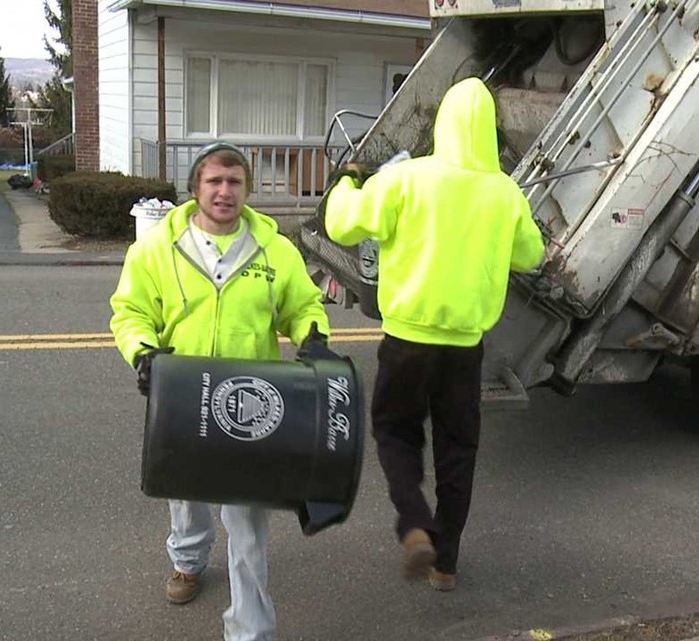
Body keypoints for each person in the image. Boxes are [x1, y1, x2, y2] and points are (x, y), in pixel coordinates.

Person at [323, 77, 545, 592]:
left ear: (442, 122)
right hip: (464, 348)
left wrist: (347, 182)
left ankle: (414, 524)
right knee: (457, 449)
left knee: (396, 433)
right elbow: (531, 256)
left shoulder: (405, 179)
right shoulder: (505, 192)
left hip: (406, 340)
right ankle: (446, 563)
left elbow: (343, 225)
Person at [109, 141, 331, 640]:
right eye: (214, 181)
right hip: (183, 397)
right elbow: (131, 312)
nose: (224, 192)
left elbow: (302, 306)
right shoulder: (155, 249)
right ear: (195, 189)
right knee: (185, 496)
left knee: (248, 523)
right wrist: (143, 352)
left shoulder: (275, 251)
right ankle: (187, 560)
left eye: (234, 182)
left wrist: (312, 334)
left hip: (251, 406)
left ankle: (249, 631)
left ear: (248, 190)